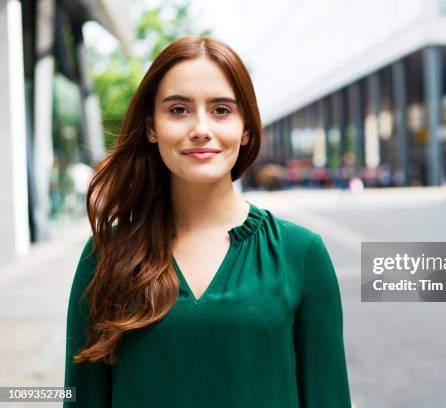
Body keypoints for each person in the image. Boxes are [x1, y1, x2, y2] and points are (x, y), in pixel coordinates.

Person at [63, 35, 351, 407]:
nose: (201, 128)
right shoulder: (105, 255)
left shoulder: (302, 254)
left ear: (246, 128)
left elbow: (328, 398)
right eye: (178, 109)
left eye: (221, 110)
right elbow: (81, 398)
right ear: (151, 127)